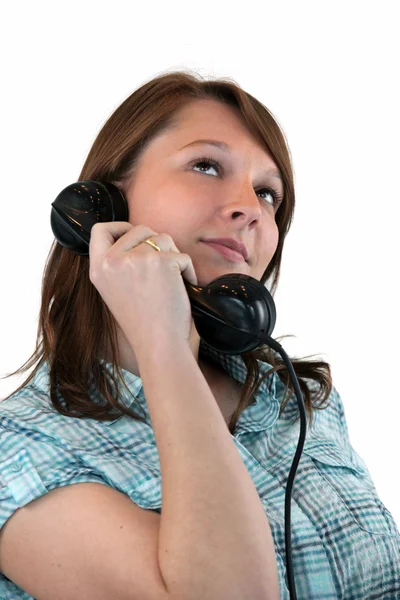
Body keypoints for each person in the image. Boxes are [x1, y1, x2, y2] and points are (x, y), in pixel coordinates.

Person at [0, 70, 399, 600]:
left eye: (267, 193)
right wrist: (165, 347)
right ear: (101, 204)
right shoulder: (20, 448)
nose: (250, 208)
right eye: (206, 165)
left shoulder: (297, 401)